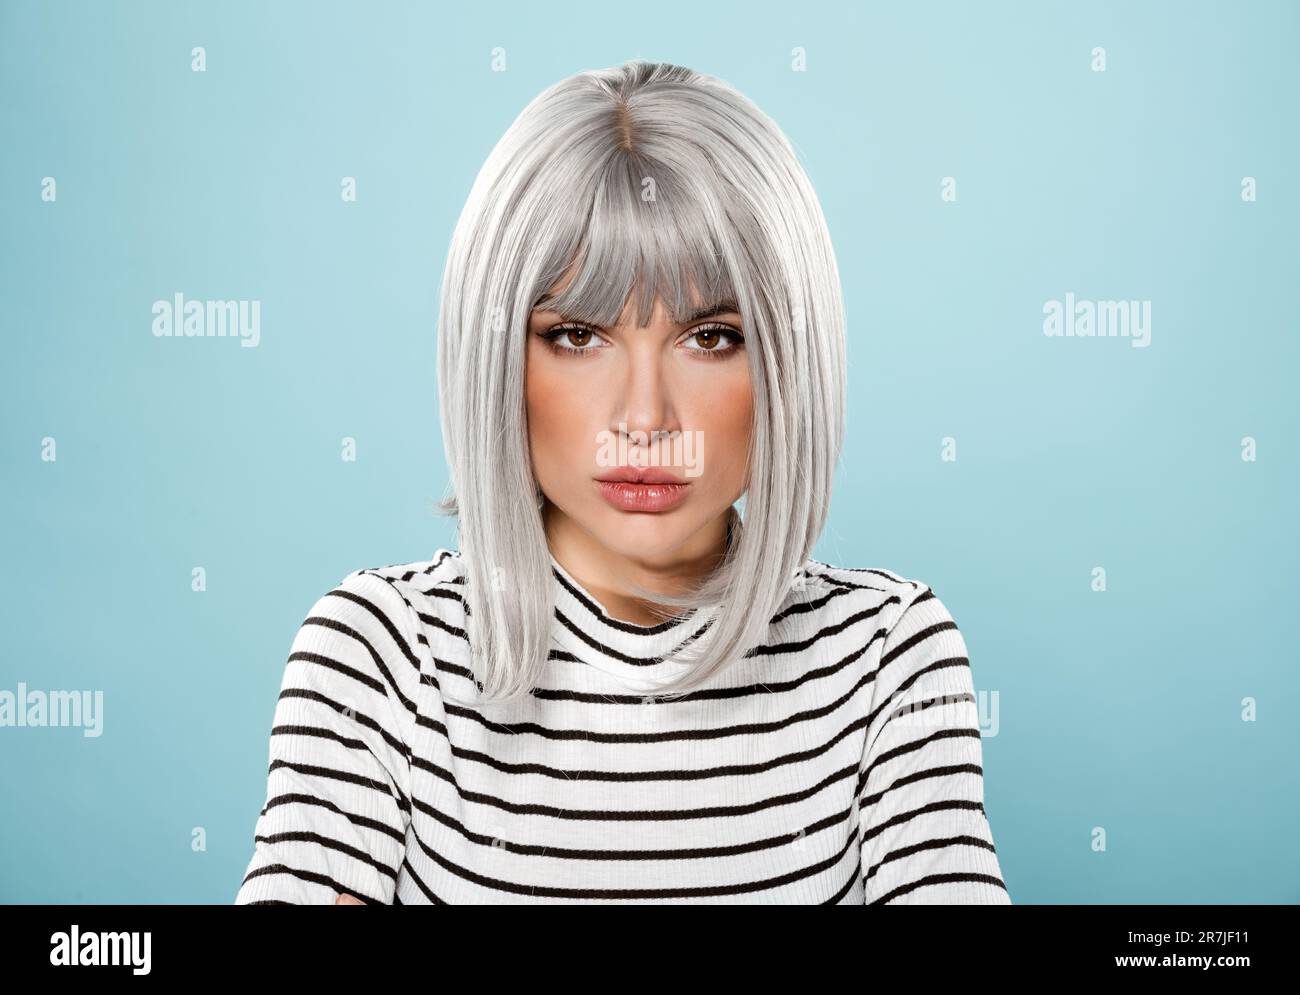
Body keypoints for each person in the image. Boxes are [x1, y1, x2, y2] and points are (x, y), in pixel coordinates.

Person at [234, 59, 1010, 905]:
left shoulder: (886, 656)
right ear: (497, 358)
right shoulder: (382, 656)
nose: (644, 419)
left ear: (790, 359)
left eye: (712, 337)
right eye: (576, 335)